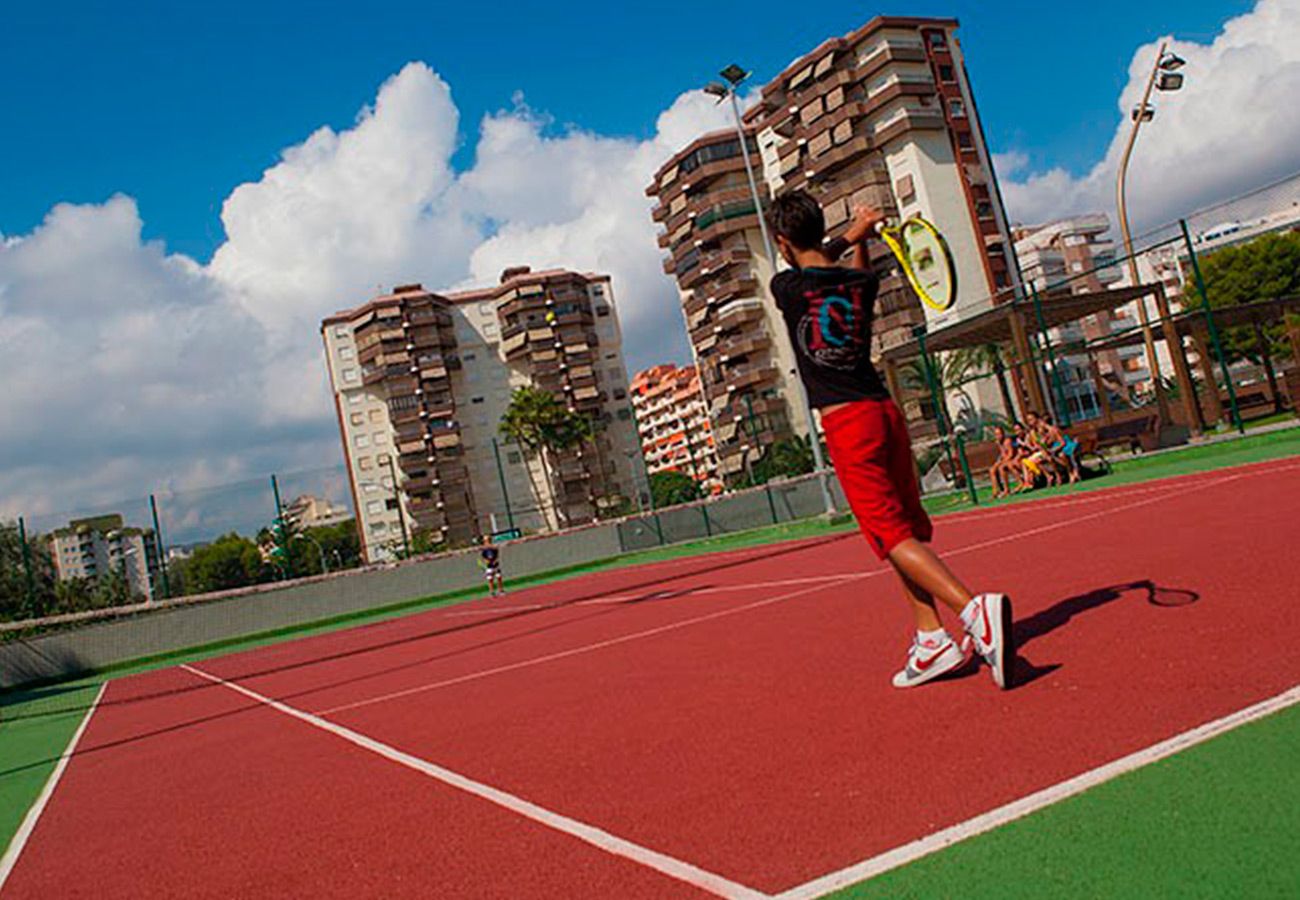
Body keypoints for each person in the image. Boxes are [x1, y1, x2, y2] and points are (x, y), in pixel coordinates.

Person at [767, 192, 1015, 689]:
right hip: (885, 413)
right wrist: (860, 235)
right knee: (903, 532)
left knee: (890, 535)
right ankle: (931, 639)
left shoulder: (786, 286)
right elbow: (836, 265)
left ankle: (973, 612)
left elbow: (820, 260)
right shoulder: (862, 282)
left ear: (781, 242)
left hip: (848, 423)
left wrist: (853, 233)